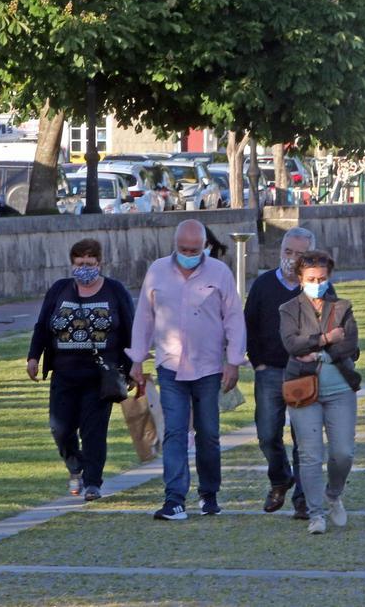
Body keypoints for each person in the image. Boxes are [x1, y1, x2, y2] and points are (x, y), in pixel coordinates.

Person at [128, 220, 246, 520]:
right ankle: (175, 498)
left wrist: (233, 361)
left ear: (204, 246)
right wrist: (137, 359)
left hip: (208, 368)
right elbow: (144, 316)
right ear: (175, 244)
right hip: (170, 366)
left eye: (194, 250)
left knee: (208, 433)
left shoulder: (219, 272)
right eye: (183, 249)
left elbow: (233, 317)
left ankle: (209, 493)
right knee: (174, 432)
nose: (188, 254)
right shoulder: (157, 270)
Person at [28, 238, 135, 501]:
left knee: (94, 430)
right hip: (64, 373)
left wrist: (133, 366)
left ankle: (92, 483)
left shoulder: (114, 290)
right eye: (79, 263)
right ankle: (75, 465)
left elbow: (131, 328)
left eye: (90, 263)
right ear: (72, 264)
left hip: (100, 376)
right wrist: (33, 357)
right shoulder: (60, 290)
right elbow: (43, 325)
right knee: (60, 428)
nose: (84, 268)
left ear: (99, 263)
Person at [280, 250, 361, 535]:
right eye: (312, 278)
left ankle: (333, 493)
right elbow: (292, 344)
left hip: (340, 388)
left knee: (343, 453)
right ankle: (315, 513)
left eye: (323, 278)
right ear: (300, 279)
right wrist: (326, 339)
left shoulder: (342, 306)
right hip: (303, 390)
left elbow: (349, 345)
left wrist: (316, 351)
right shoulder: (289, 309)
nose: (318, 282)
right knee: (310, 454)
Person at [244, 227, 314, 519]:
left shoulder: (316, 285)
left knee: (303, 438)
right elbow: (248, 325)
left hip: (303, 371)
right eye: (288, 252)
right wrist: (257, 361)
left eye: (300, 254)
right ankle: (280, 478)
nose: (292, 259)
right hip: (269, 370)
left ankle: (303, 497)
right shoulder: (263, 285)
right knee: (267, 433)